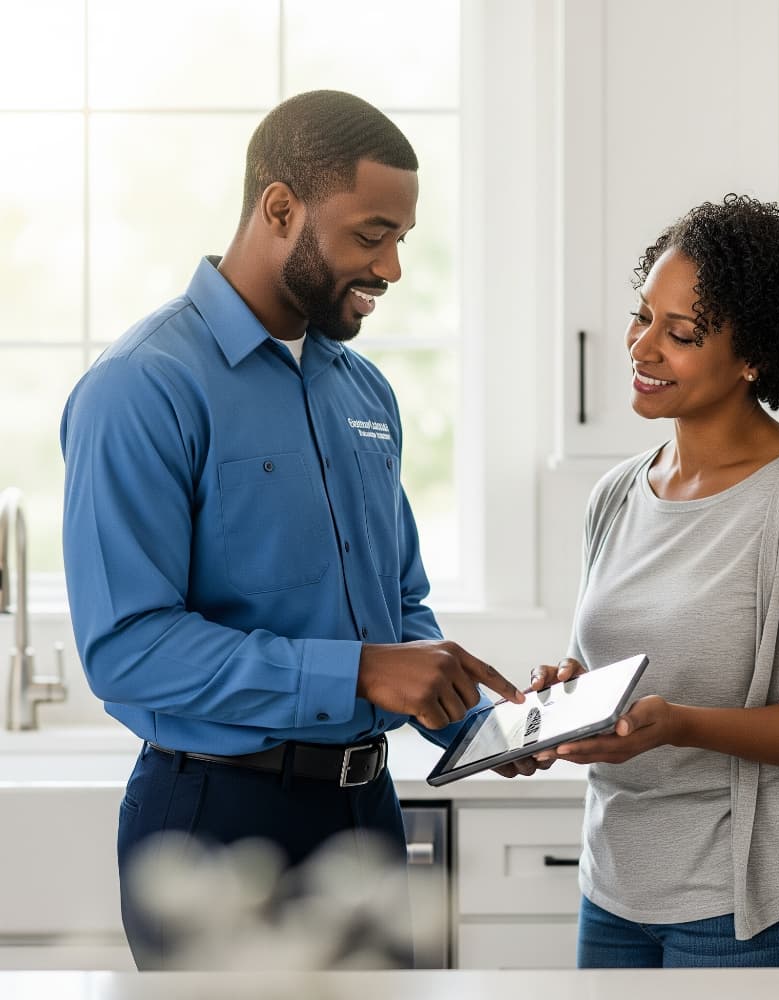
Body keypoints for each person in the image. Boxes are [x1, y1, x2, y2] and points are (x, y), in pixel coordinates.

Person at [60, 90, 524, 969]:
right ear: (281, 209)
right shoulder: (141, 388)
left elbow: (402, 608)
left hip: (367, 818)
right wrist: (359, 671)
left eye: (401, 241)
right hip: (217, 828)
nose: (391, 268)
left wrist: (486, 727)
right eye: (371, 234)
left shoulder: (365, 393)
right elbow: (127, 649)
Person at [528, 195, 779, 968]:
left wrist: (685, 725)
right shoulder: (618, 495)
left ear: (752, 357)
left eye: (683, 333)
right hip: (616, 890)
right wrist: (566, 695)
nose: (643, 347)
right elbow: (612, 669)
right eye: (642, 317)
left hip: (754, 908)